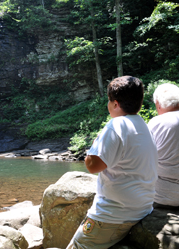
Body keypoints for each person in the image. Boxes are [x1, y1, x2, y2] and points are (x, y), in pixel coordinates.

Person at [67, 76, 158, 249]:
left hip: (114, 215)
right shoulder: (142, 125)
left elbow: (93, 166)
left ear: (115, 104)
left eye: (109, 101)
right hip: (142, 208)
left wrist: (94, 144)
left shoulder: (116, 125)